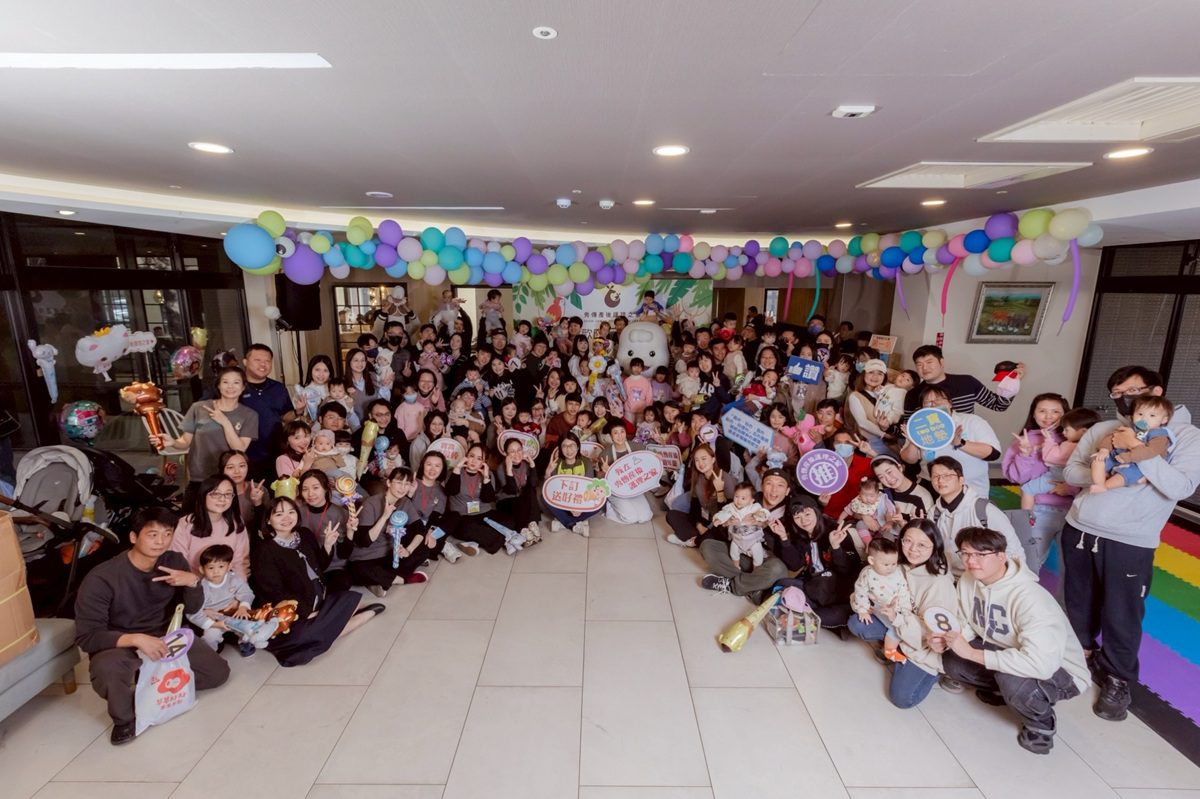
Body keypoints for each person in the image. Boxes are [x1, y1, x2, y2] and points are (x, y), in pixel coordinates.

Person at [1060, 365, 1200, 721]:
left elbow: (1181, 487)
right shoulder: (1106, 429)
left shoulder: (1185, 436)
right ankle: (1081, 655)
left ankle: (1117, 678)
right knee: (1078, 600)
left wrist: (1137, 450)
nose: (1125, 399)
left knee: (1122, 611)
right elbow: (1071, 471)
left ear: (1156, 391)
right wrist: (1108, 470)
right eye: (1118, 394)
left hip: (1131, 538)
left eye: (1132, 391)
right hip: (1080, 527)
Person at [74, 507, 230, 745]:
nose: (161, 541)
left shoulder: (173, 561)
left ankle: (149, 687)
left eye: (167, 534)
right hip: (121, 642)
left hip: (166, 636)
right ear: (133, 537)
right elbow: (87, 637)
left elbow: (191, 609)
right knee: (108, 670)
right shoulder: (102, 578)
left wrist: (192, 583)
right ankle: (125, 719)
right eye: (152, 534)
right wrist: (136, 639)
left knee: (218, 673)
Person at [930, 526, 1089, 755]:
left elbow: (1041, 664)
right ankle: (1001, 691)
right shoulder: (969, 579)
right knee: (953, 660)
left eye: (980, 554)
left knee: (1012, 680)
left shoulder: (1030, 598)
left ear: (1001, 556)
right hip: (1006, 647)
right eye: (965, 553)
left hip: (1060, 670)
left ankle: (1041, 724)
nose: (971, 561)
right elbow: (967, 623)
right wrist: (949, 639)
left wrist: (972, 653)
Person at [250, 497, 381, 667]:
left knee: (315, 629)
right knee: (300, 639)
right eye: (279, 514)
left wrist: (327, 545)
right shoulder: (264, 550)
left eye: (291, 512)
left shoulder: (304, 534)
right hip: (291, 607)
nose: (287, 518)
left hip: (318, 595)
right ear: (268, 519)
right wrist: (305, 611)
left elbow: (321, 566)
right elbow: (274, 591)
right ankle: (359, 618)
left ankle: (335, 616)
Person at [848, 519, 957, 709]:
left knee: (902, 699)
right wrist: (869, 605)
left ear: (935, 547)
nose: (913, 549)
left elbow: (935, 636)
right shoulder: (896, 565)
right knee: (857, 622)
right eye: (907, 541)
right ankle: (894, 648)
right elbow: (861, 590)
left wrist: (896, 617)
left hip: (924, 645)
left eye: (922, 545)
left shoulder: (939, 583)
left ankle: (927, 670)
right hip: (899, 627)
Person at [1002, 396, 1098, 572]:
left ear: (1066, 414)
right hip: (1039, 512)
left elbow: (1095, 476)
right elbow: (1016, 477)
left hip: (1074, 513)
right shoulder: (1026, 439)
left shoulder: (1081, 440)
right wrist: (1025, 454)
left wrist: (1070, 488)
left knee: (1071, 569)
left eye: (1055, 411)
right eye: (1042, 411)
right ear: (1033, 413)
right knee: (1029, 563)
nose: (1048, 416)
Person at [154, 366, 258, 502]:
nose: (230, 386)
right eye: (225, 382)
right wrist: (173, 442)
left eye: (236, 382)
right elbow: (185, 442)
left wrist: (225, 422)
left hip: (229, 479)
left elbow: (239, 449)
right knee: (191, 514)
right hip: (200, 476)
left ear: (243, 387)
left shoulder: (249, 415)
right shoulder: (198, 408)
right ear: (218, 385)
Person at [927, 456, 1022, 578]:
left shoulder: (984, 510)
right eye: (936, 476)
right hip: (948, 577)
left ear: (961, 480)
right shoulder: (934, 513)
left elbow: (1013, 550)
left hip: (984, 578)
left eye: (947, 476)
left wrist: (998, 580)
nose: (940, 480)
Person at [899, 384, 1001, 498]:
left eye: (939, 399)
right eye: (927, 402)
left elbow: (993, 453)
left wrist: (960, 444)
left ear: (950, 403)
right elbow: (909, 460)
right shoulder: (919, 426)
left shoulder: (972, 421)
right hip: (932, 487)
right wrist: (914, 442)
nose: (934, 404)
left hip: (970, 489)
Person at [352, 468, 438, 592]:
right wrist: (384, 517)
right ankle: (402, 579)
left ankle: (382, 580)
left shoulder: (405, 502)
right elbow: (364, 542)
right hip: (367, 557)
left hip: (390, 554)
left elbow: (420, 529)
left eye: (407, 484)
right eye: (399, 482)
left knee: (424, 548)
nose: (403, 488)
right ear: (388, 483)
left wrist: (408, 551)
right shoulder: (371, 503)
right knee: (357, 570)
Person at [901, 344, 1024, 423]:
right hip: (931, 448)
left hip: (966, 444)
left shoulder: (967, 382)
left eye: (929, 362)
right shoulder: (912, 395)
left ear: (941, 362)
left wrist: (1012, 383)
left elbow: (998, 405)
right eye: (919, 364)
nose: (924, 368)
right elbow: (909, 426)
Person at [170, 474, 251, 578]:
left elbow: (240, 563)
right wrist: (195, 583)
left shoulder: (237, 522)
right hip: (192, 584)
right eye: (216, 494)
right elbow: (178, 563)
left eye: (228, 494)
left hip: (228, 584)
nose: (222, 499)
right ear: (203, 495)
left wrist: (240, 586)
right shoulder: (185, 524)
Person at [186, 544, 261, 655]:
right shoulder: (201, 587)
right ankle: (210, 655)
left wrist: (243, 607)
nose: (216, 571)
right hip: (215, 619)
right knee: (210, 636)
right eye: (211, 568)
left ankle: (245, 643)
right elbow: (193, 612)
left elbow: (246, 592)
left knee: (249, 625)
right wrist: (212, 622)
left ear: (229, 566)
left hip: (234, 613)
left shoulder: (234, 578)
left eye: (221, 567)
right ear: (202, 569)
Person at [1090, 395, 1174, 493]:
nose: (1144, 419)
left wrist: (1129, 456)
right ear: (1132, 415)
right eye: (1140, 414)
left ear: (1164, 420)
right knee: (1097, 460)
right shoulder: (1130, 428)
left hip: (1139, 463)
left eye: (1152, 415)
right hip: (1118, 456)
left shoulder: (1159, 435)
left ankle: (1105, 486)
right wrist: (1104, 450)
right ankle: (1099, 482)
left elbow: (1150, 452)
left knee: (1127, 474)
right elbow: (1112, 437)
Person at [851, 538, 912, 662]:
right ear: (871, 561)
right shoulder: (867, 574)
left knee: (902, 623)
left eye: (894, 564)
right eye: (886, 565)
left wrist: (905, 609)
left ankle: (898, 645)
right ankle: (889, 651)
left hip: (896, 607)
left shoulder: (897, 572)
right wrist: (862, 610)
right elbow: (860, 591)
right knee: (895, 627)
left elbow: (903, 590)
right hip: (879, 606)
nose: (890, 568)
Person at [240, 344, 296, 479]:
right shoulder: (235, 387)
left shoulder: (278, 388)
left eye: (267, 361)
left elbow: (286, 417)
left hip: (276, 453)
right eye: (257, 360)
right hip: (245, 455)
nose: (263, 364)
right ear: (245, 362)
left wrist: (298, 411)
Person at [444, 443, 511, 552]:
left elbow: (488, 499)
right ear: (466, 456)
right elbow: (451, 491)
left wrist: (486, 478)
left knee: (508, 521)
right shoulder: (454, 472)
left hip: (483, 513)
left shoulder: (488, 474)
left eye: (479, 458)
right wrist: (457, 468)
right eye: (471, 456)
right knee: (466, 528)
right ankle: (505, 539)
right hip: (462, 516)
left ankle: (475, 541)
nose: (474, 461)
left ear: (484, 462)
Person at [297, 469, 357, 591]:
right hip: (307, 567)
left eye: (315, 488)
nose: (310, 493)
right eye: (305, 489)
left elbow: (344, 554)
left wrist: (350, 532)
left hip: (332, 567)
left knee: (343, 581)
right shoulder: (297, 513)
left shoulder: (340, 513)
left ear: (325, 488)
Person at [666, 443, 735, 547]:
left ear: (713, 459)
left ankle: (696, 540)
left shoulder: (726, 479)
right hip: (705, 519)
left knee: (720, 530)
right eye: (697, 460)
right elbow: (694, 508)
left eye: (704, 459)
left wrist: (720, 491)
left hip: (719, 523)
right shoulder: (698, 478)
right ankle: (700, 538)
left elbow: (728, 513)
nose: (700, 463)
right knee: (672, 515)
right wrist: (699, 526)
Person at [544, 433, 602, 537]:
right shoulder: (557, 463)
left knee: (602, 499)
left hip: (581, 500)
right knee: (544, 497)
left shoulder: (586, 462)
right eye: (565, 446)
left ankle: (563, 521)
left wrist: (580, 507)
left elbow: (589, 487)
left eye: (572, 445)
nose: (569, 449)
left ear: (578, 447)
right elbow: (550, 488)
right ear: (560, 448)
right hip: (562, 500)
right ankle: (574, 524)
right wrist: (548, 472)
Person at [494, 437, 544, 546]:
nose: (517, 454)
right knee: (519, 500)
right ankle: (523, 529)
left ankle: (532, 523)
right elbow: (511, 490)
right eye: (512, 451)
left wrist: (532, 464)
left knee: (530, 490)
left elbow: (534, 484)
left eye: (519, 450)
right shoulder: (500, 468)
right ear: (505, 454)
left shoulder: (525, 464)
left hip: (521, 499)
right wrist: (509, 470)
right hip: (506, 501)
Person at [711, 482, 769, 568]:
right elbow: (723, 513)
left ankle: (756, 569)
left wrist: (759, 515)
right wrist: (718, 519)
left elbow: (764, 513)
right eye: (736, 496)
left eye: (743, 498)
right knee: (733, 553)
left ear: (751, 500)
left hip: (752, 539)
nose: (738, 500)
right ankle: (736, 566)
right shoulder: (731, 507)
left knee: (758, 555)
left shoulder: (754, 507)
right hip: (737, 539)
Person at [870, 454, 935, 522]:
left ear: (900, 467)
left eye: (889, 472)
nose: (888, 479)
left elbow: (924, 528)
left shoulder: (922, 498)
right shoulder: (879, 490)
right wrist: (866, 517)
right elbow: (861, 506)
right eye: (881, 477)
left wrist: (902, 523)